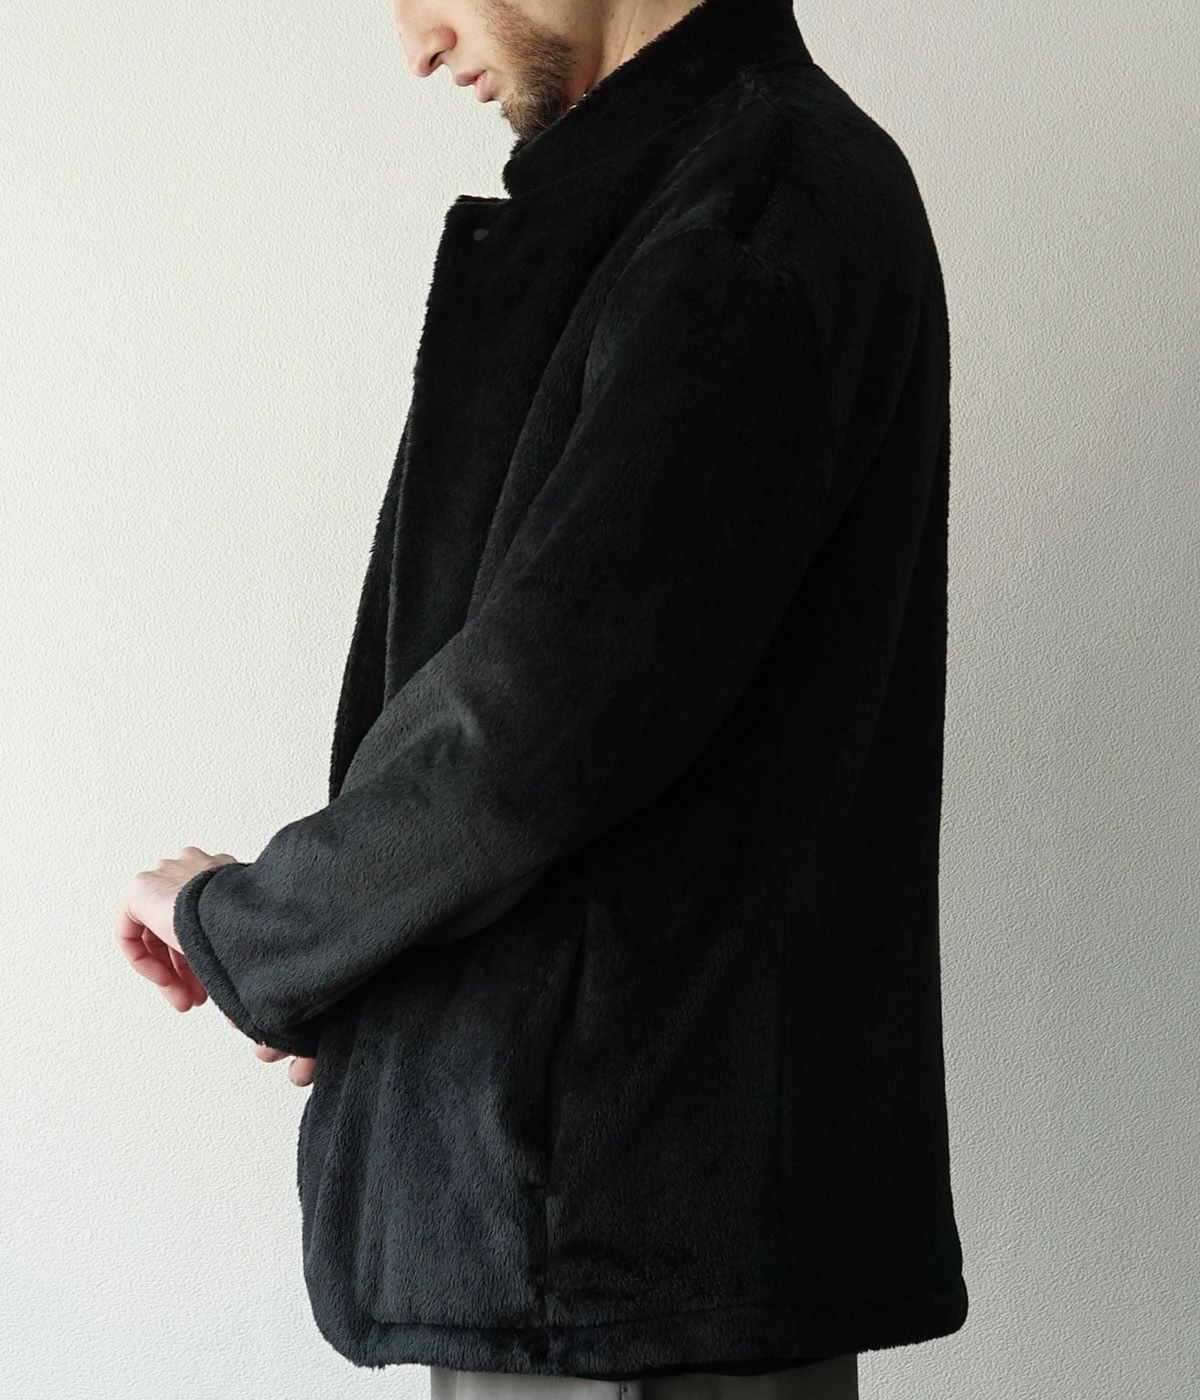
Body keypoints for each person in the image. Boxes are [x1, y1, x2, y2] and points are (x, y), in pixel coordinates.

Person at [117, 1, 968, 1396]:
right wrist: (345, 962)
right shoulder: (687, 200)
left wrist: (259, 931)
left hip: (614, 1262)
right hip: (594, 1245)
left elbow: (530, 739)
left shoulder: (752, 212)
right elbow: (573, 733)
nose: (417, 43)